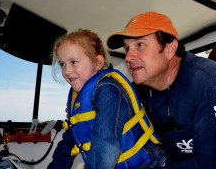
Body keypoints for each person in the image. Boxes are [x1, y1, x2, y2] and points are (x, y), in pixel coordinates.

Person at [107, 11, 216, 168]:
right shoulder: (138, 90)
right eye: (127, 49)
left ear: (170, 49)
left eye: (140, 45)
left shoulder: (211, 86)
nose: (128, 57)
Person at [47, 29, 166, 169]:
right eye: (62, 64)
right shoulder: (77, 97)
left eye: (73, 62)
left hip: (147, 164)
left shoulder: (108, 90)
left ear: (97, 63)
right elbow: (68, 141)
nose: (66, 71)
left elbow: (106, 145)